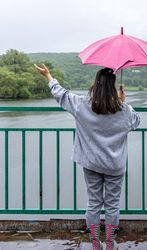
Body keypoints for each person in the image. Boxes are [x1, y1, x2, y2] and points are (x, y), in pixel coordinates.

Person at [34, 64, 140, 250]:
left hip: (91, 164)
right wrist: (123, 103)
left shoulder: (81, 104)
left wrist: (49, 75)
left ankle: (94, 243)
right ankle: (109, 243)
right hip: (115, 166)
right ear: (114, 87)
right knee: (112, 205)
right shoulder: (124, 110)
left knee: (93, 203)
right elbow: (136, 122)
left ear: (95, 85)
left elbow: (61, 94)